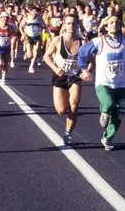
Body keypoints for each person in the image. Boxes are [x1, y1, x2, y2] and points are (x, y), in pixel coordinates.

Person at [78, 16, 125, 151]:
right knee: (108, 103)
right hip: (104, 82)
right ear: (106, 26)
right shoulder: (99, 41)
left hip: (121, 84)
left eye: (117, 22)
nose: (114, 24)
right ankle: (104, 111)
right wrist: (84, 69)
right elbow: (82, 52)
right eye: (111, 22)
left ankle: (107, 137)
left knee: (120, 112)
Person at [44, 14, 84, 145]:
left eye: (74, 23)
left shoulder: (82, 42)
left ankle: (68, 133)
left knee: (74, 105)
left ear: (78, 25)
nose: (71, 26)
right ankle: (64, 105)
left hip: (75, 77)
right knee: (61, 110)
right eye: (69, 23)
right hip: (60, 77)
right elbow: (46, 57)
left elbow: (91, 60)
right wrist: (55, 68)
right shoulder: (57, 40)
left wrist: (86, 70)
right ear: (64, 25)